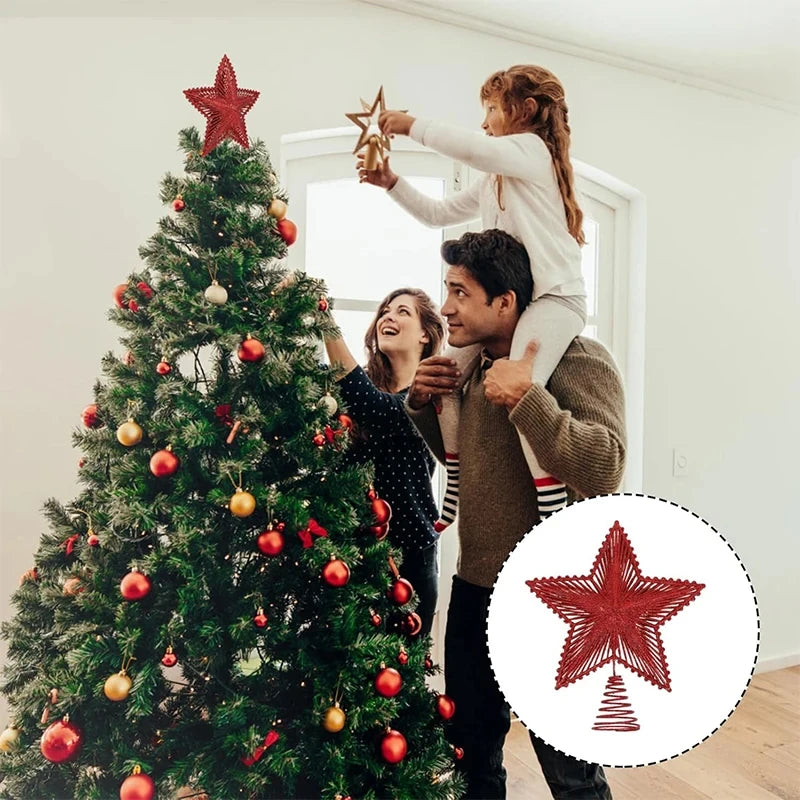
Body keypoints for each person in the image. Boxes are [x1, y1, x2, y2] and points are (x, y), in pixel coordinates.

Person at [405, 229, 625, 799]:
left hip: (554, 600)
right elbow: (471, 464)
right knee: (472, 754)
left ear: (505, 302)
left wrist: (529, 400)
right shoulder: (469, 368)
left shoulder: (579, 359)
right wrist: (424, 404)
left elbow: (604, 466)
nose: (445, 307)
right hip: (475, 587)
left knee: (571, 772)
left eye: (459, 292)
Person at [359, 64, 586, 531]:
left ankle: (552, 507)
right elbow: (437, 212)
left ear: (524, 111)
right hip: (510, 307)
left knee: (521, 386)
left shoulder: (532, 152)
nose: (484, 122)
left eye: (490, 110)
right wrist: (391, 183)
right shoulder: (493, 183)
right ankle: (455, 484)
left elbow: (477, 148)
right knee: (442, 377)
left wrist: (410, 125)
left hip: (554, 301)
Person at [322, 287, 445, 637]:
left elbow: (379, 409)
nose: (388, 317)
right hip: (347, 553)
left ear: (425, 333)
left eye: (403, 312)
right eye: (385, 311)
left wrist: (324, 319)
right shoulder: (352, 389)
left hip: (409, 558)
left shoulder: (431, 394)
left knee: (401, 680)